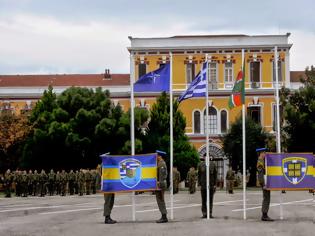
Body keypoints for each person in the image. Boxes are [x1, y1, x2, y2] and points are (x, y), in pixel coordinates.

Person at [256, 147, 274, 221]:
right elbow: (260, 174)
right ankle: (264, 215)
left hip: (266, 181)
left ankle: (265, 214)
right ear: (261, 153)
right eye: (264, 153)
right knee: (266, 198)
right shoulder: (260, 162)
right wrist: (263, 184)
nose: (265, 154)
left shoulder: (263, 161)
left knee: (267, 197)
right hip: (264, 182)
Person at [198, 154, 217, 218]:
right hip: (203, 185)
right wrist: (199, 184)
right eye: (205, 157)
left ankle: (210, 213)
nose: (206, 158)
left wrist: (215, 184)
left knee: (210, 200)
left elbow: (215, 175)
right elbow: (199, 175)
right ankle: (204, 213)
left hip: (211, 185)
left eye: (208, 157)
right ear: (203, 157)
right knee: (203, 200)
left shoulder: (213, 164)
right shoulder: (200, 165)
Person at [155, 150, 168, 223]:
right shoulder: (159, 163)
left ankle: (164, 217)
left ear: (160, 156)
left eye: (157, 155)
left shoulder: (161, 164)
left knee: (161, 201)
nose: (156, 156)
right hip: (160, 184)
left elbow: (162, 176)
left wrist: (159, 184)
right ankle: (163, 216)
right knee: (160, 201)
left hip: (160, 185)